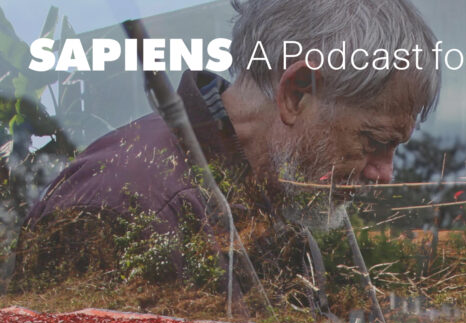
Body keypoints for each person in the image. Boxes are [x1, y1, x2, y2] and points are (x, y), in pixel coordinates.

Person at [12, 0, 440, 297]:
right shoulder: (123, 205)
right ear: (296, 94)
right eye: (375, 141)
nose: (384, 173)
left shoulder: (278, 212)